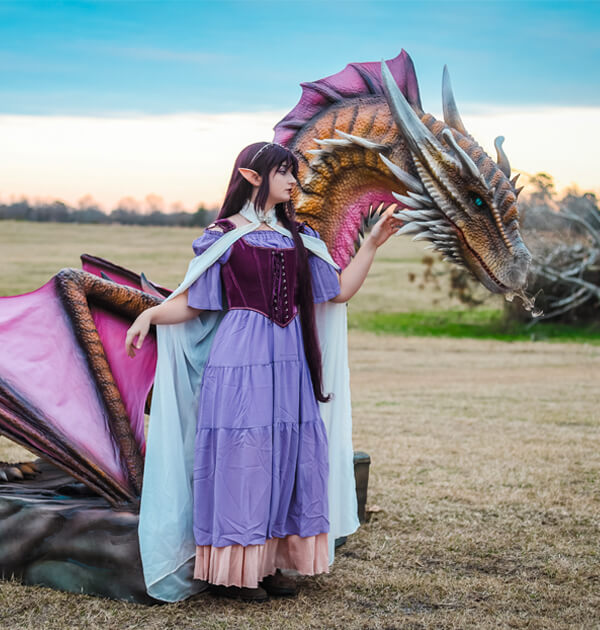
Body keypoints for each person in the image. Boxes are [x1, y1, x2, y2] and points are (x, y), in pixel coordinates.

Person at [125, 141, 400, 603]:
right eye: (284, 173)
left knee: (286, 456)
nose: (294, 182)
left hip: (289, 361)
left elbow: (338, 293)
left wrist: (371, 244)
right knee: (242, 459)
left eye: (295, 173)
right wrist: (151, 315)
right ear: (253, 176)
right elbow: (194, 302)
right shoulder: (223, 236)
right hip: (239, 359)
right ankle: (233, 572)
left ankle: (270, 563)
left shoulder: (300, 235)